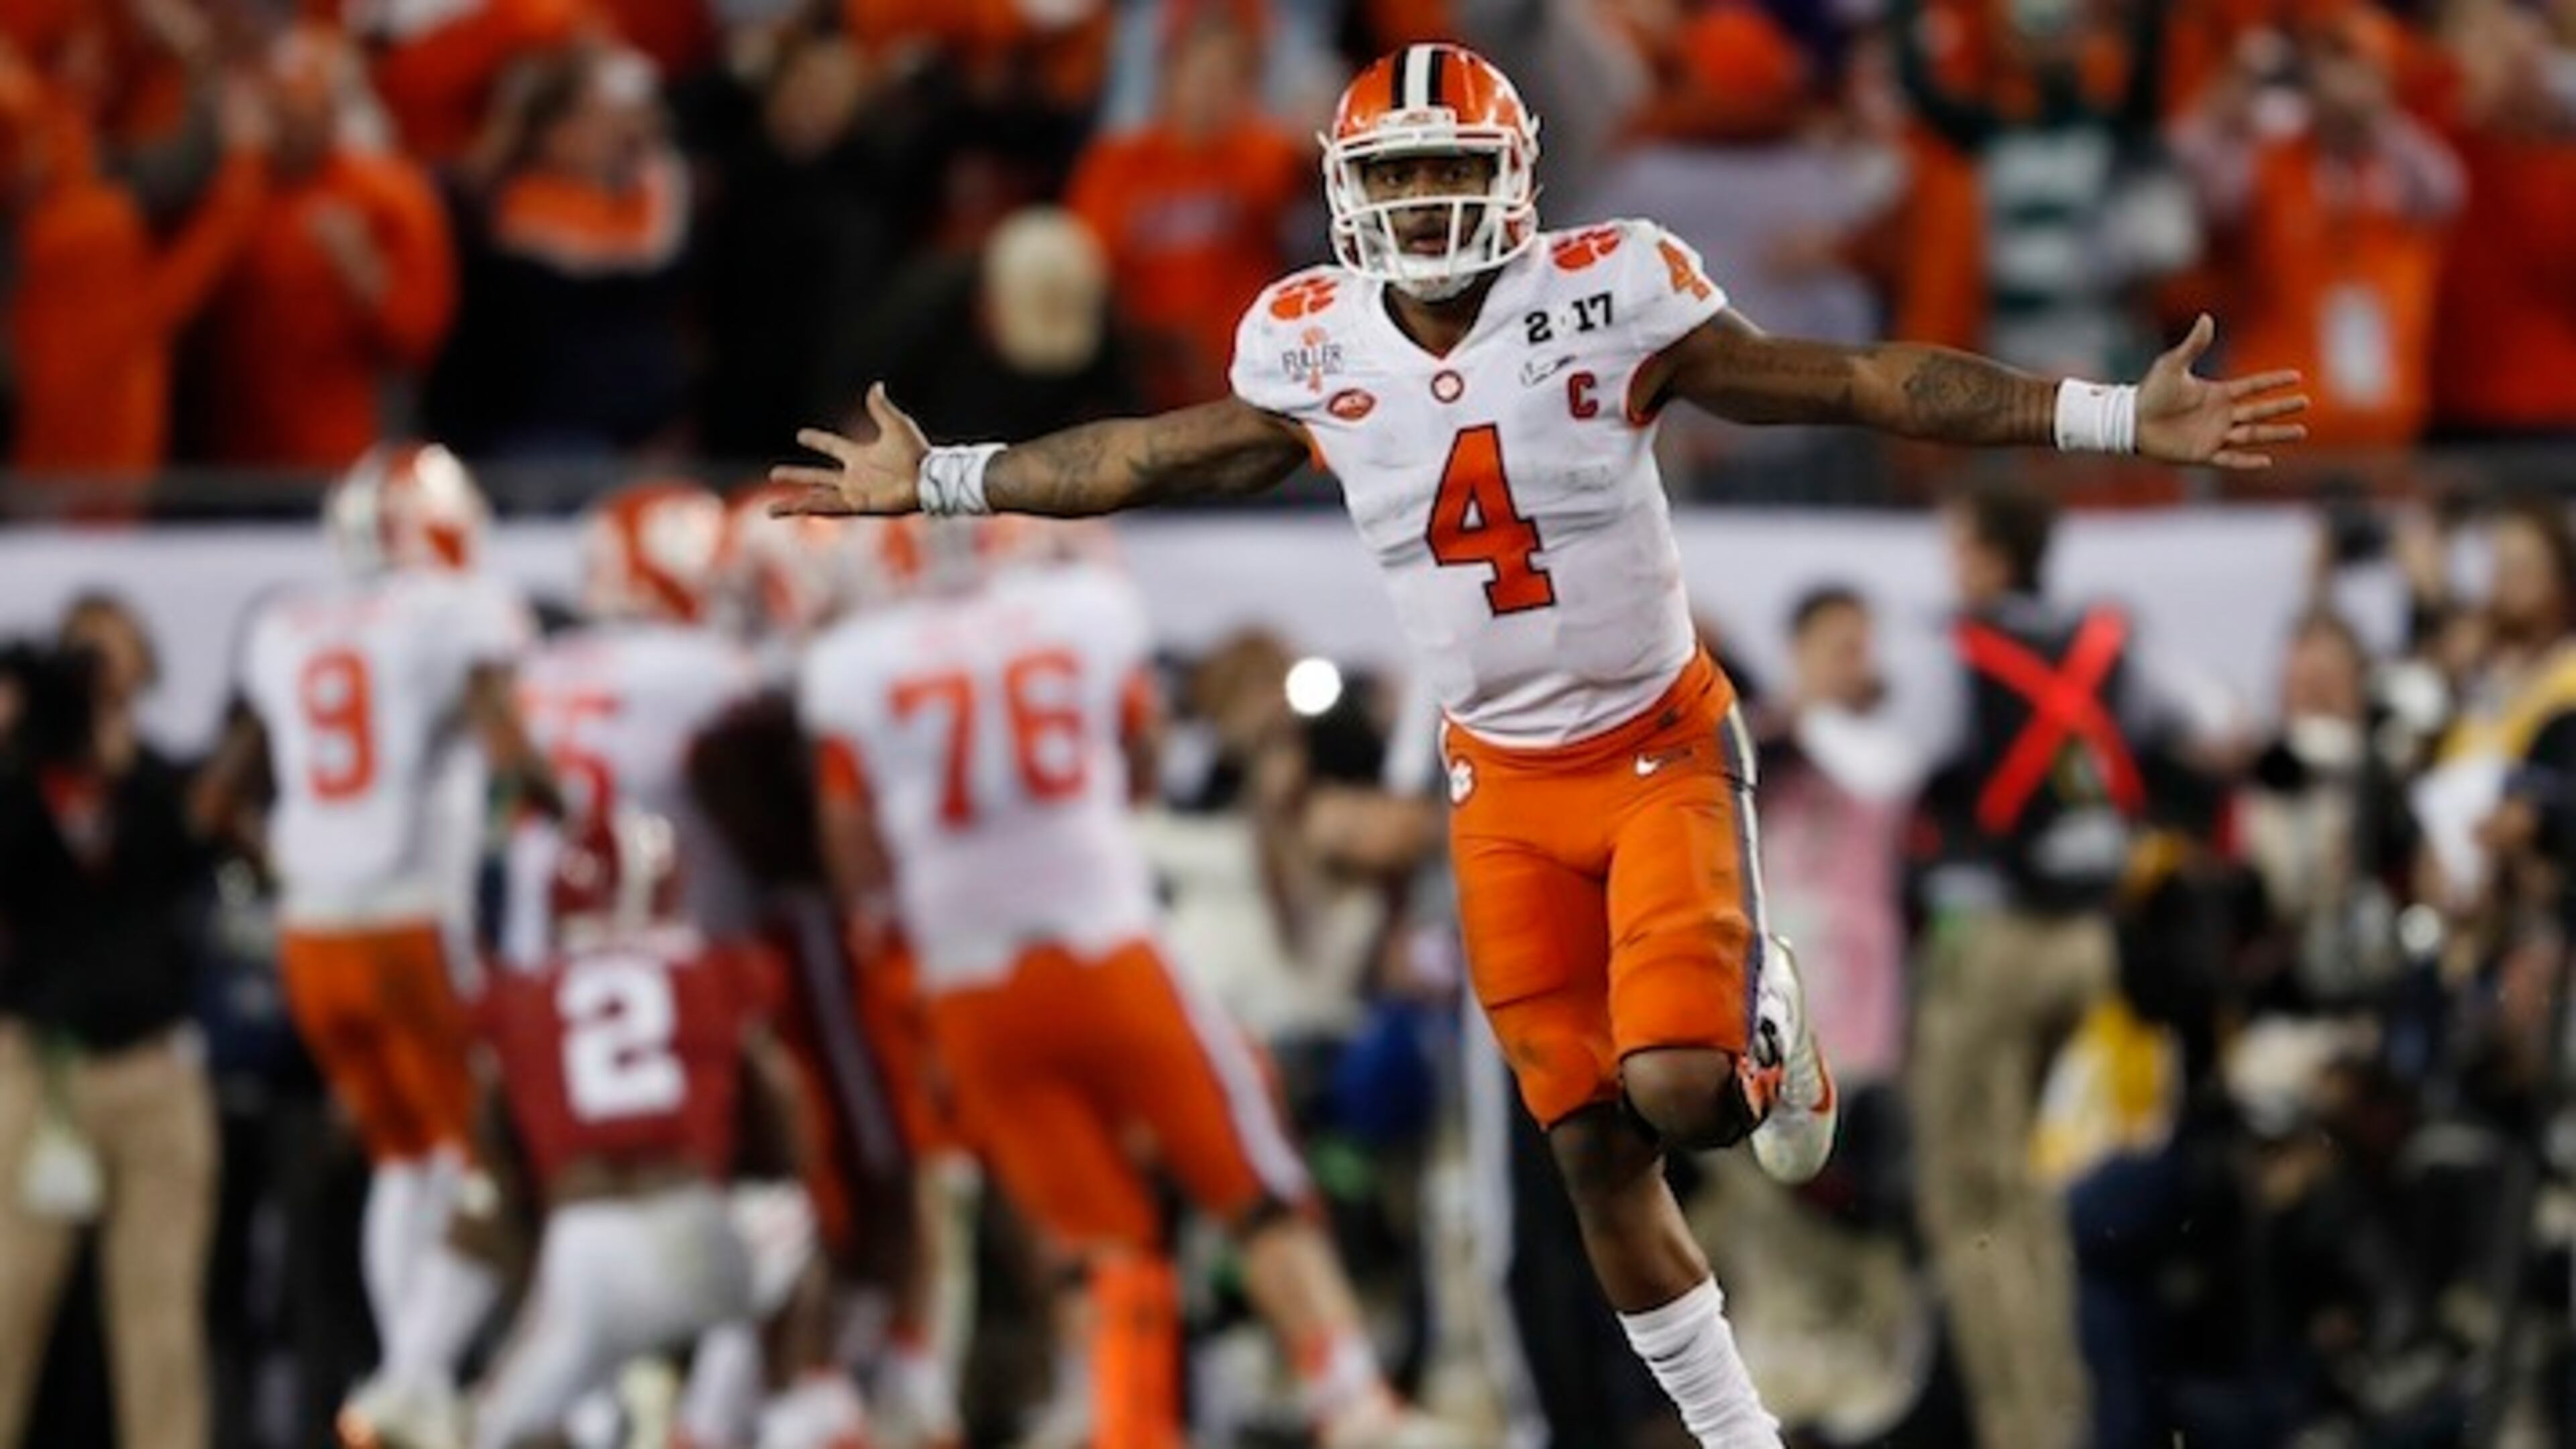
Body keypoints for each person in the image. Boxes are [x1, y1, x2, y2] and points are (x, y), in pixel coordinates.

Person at [772, 40, 2307, 1446]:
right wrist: (947, 477)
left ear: (1513, 174)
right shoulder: (1309, 340)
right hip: (1496, 784)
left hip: (1653, 750)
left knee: (1683, 1091)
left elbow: (1853, 380)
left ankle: (1762, 1030)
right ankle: (1740, 1438)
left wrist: (2107, 417)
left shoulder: (1609, 289)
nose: (1424, 203)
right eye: (1396, 176)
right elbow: (1153, 452)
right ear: (1347, 192)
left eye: (1450, 168)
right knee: (1590, 1155)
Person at [797, 519, 1460, 1446]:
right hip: (1104, 948)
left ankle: (1129, 1423)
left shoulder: (854, 663)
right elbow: (1139, 764)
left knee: (1091, 1236)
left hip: (968, 981)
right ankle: (1350, 1397)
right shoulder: (1081, 609)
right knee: (1252, 1180)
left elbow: (855, 858)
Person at [192, 443, 556, 1440]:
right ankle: (409, 1381)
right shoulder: (454, 611)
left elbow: (217, 800)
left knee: (407, 1161)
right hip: (409, 924)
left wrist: (305, 864)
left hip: (312, 935)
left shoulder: (288, 622)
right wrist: (568, 810)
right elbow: (512, 750)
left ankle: (413, 1387)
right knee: (488, 1160)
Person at [1908, 478, 2240, 1449]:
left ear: (1985, 550)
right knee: (2038, 1197)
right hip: (2093, 944)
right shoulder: (2107, 644)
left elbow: (1892, 763)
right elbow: (2213, 725)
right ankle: (2066, 1418)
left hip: (1994, 940)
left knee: (1971, 1202)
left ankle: (2024, 1428)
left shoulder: (1957, 650)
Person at [0, 596, 220, 1449]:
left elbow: (191, 858)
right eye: (84, 657)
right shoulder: (21, 779)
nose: (100, 675)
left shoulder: (161, 782)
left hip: (153, 1072)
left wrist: (125, 763)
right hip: (35, 1071)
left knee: (159, 1323)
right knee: (8, 1308)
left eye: (117, 655)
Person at [199, 23, 456, 470]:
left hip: (345, 449)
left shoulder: (387, 194)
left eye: (306, 106)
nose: (291, 124)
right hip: (230, 448)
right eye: (280, 107)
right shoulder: (233, 189)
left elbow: (421, 336)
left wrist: (366, 273)